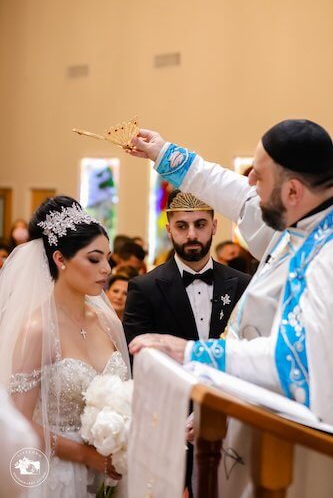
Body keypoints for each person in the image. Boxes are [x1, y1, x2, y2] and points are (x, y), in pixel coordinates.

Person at [127, 120, 333, 497]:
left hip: (297, 446)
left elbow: (296, 361)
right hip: (250, 410)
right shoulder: (300, 220)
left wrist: (191, 353)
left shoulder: (327, 258)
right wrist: (163, 153)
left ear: (291, 191)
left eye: (260, 175)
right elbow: (235, 194)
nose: (250, 181)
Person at [0, 196, 131, 497]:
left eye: (108, 258)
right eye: (94, 259)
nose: (107, 269)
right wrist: (86, 456)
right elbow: (19, 424)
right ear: (60, 259)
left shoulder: (107, 323)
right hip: (59, 474)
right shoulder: (37, 330)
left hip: (111, 472)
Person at [124, 189, 250, 496]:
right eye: (182, 226)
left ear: (214, 226)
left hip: (230, 422)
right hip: (168, 426)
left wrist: (215, 408)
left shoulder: (243, 284)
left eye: (199, 224)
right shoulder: (144, 288)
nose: (191, 234)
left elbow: (247, 353)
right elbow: (139, 363)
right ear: (168, 229)